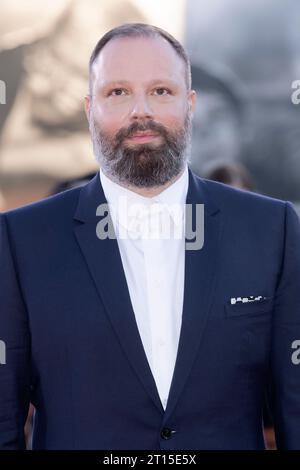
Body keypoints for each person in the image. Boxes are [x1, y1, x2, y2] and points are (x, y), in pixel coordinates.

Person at [0, 23, 300, 451]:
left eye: (161, 91)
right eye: (117, 92)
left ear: (190, 104)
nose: (141, 111)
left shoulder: (271, 229)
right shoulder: (21, 240)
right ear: (90, 109)